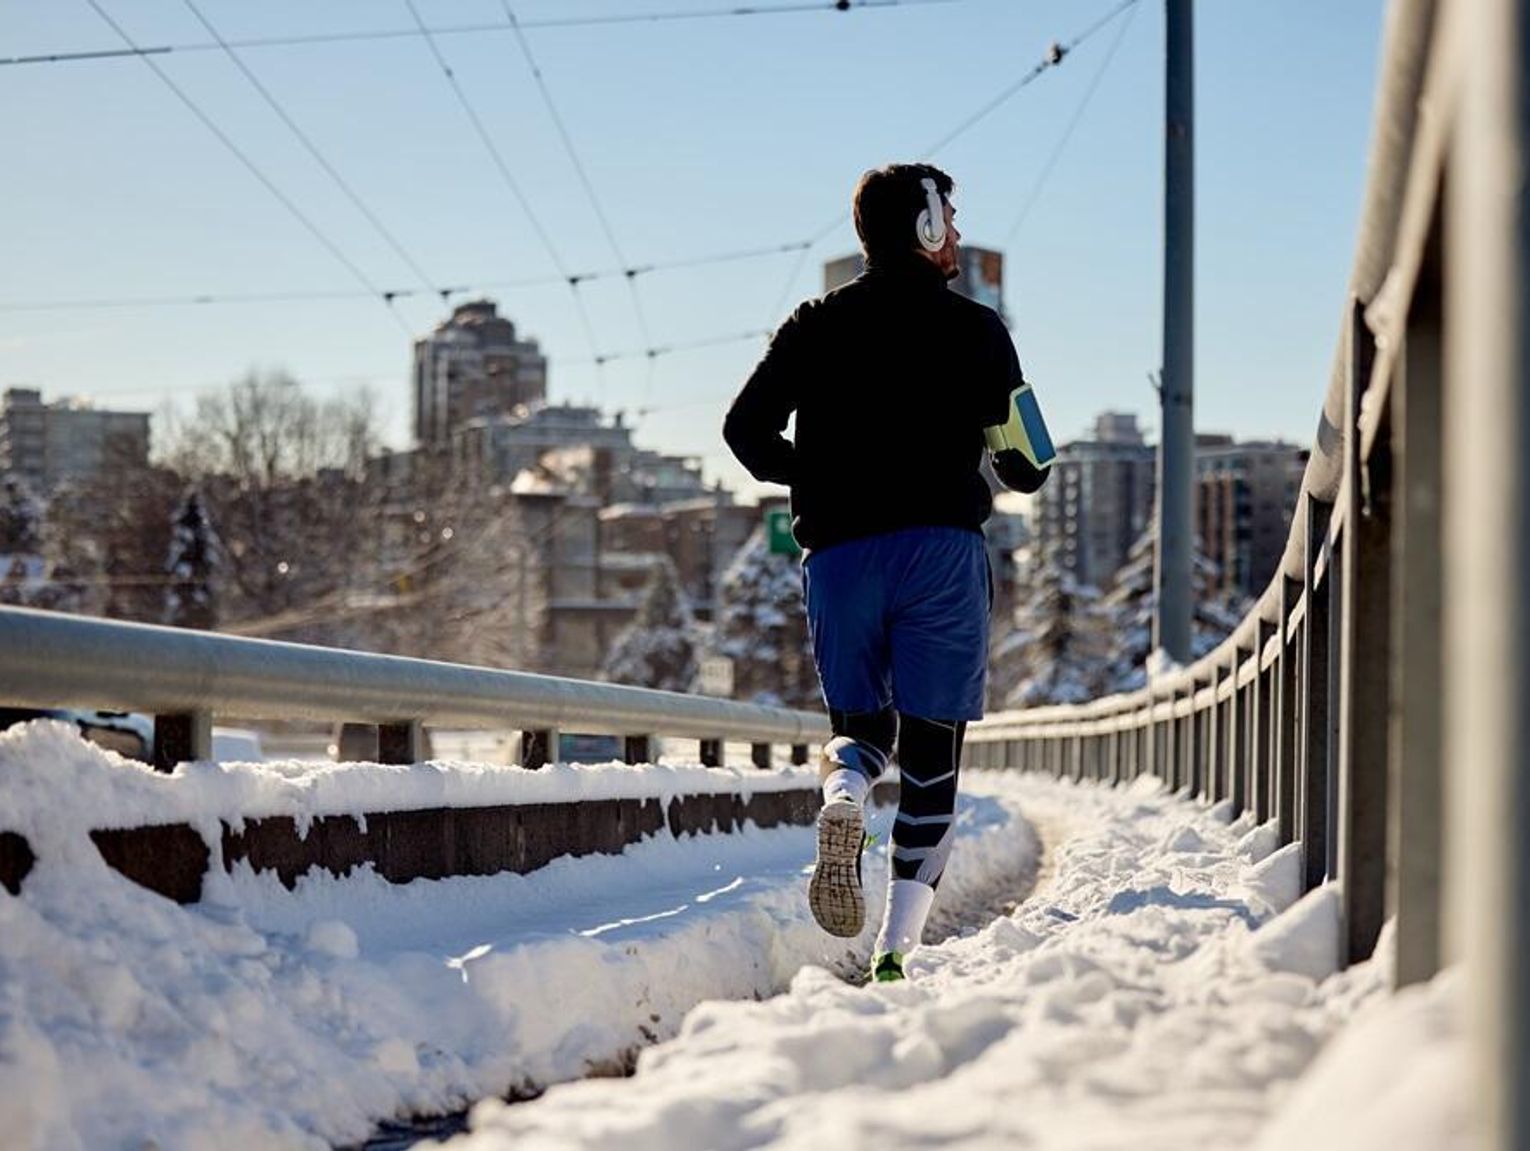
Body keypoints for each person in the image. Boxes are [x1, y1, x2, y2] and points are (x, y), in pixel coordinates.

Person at [722, 163, 1051, 982]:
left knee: (861, 729)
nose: (959, 237)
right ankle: (895, 950)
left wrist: (817, 475)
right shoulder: (977, 330)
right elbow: (1030, 467)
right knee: (933, 749)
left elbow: (743, 428)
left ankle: (844, 796)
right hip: (939, 552)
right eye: (953, 220)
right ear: (929, 226)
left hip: (840, 556)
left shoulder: (812, 324)